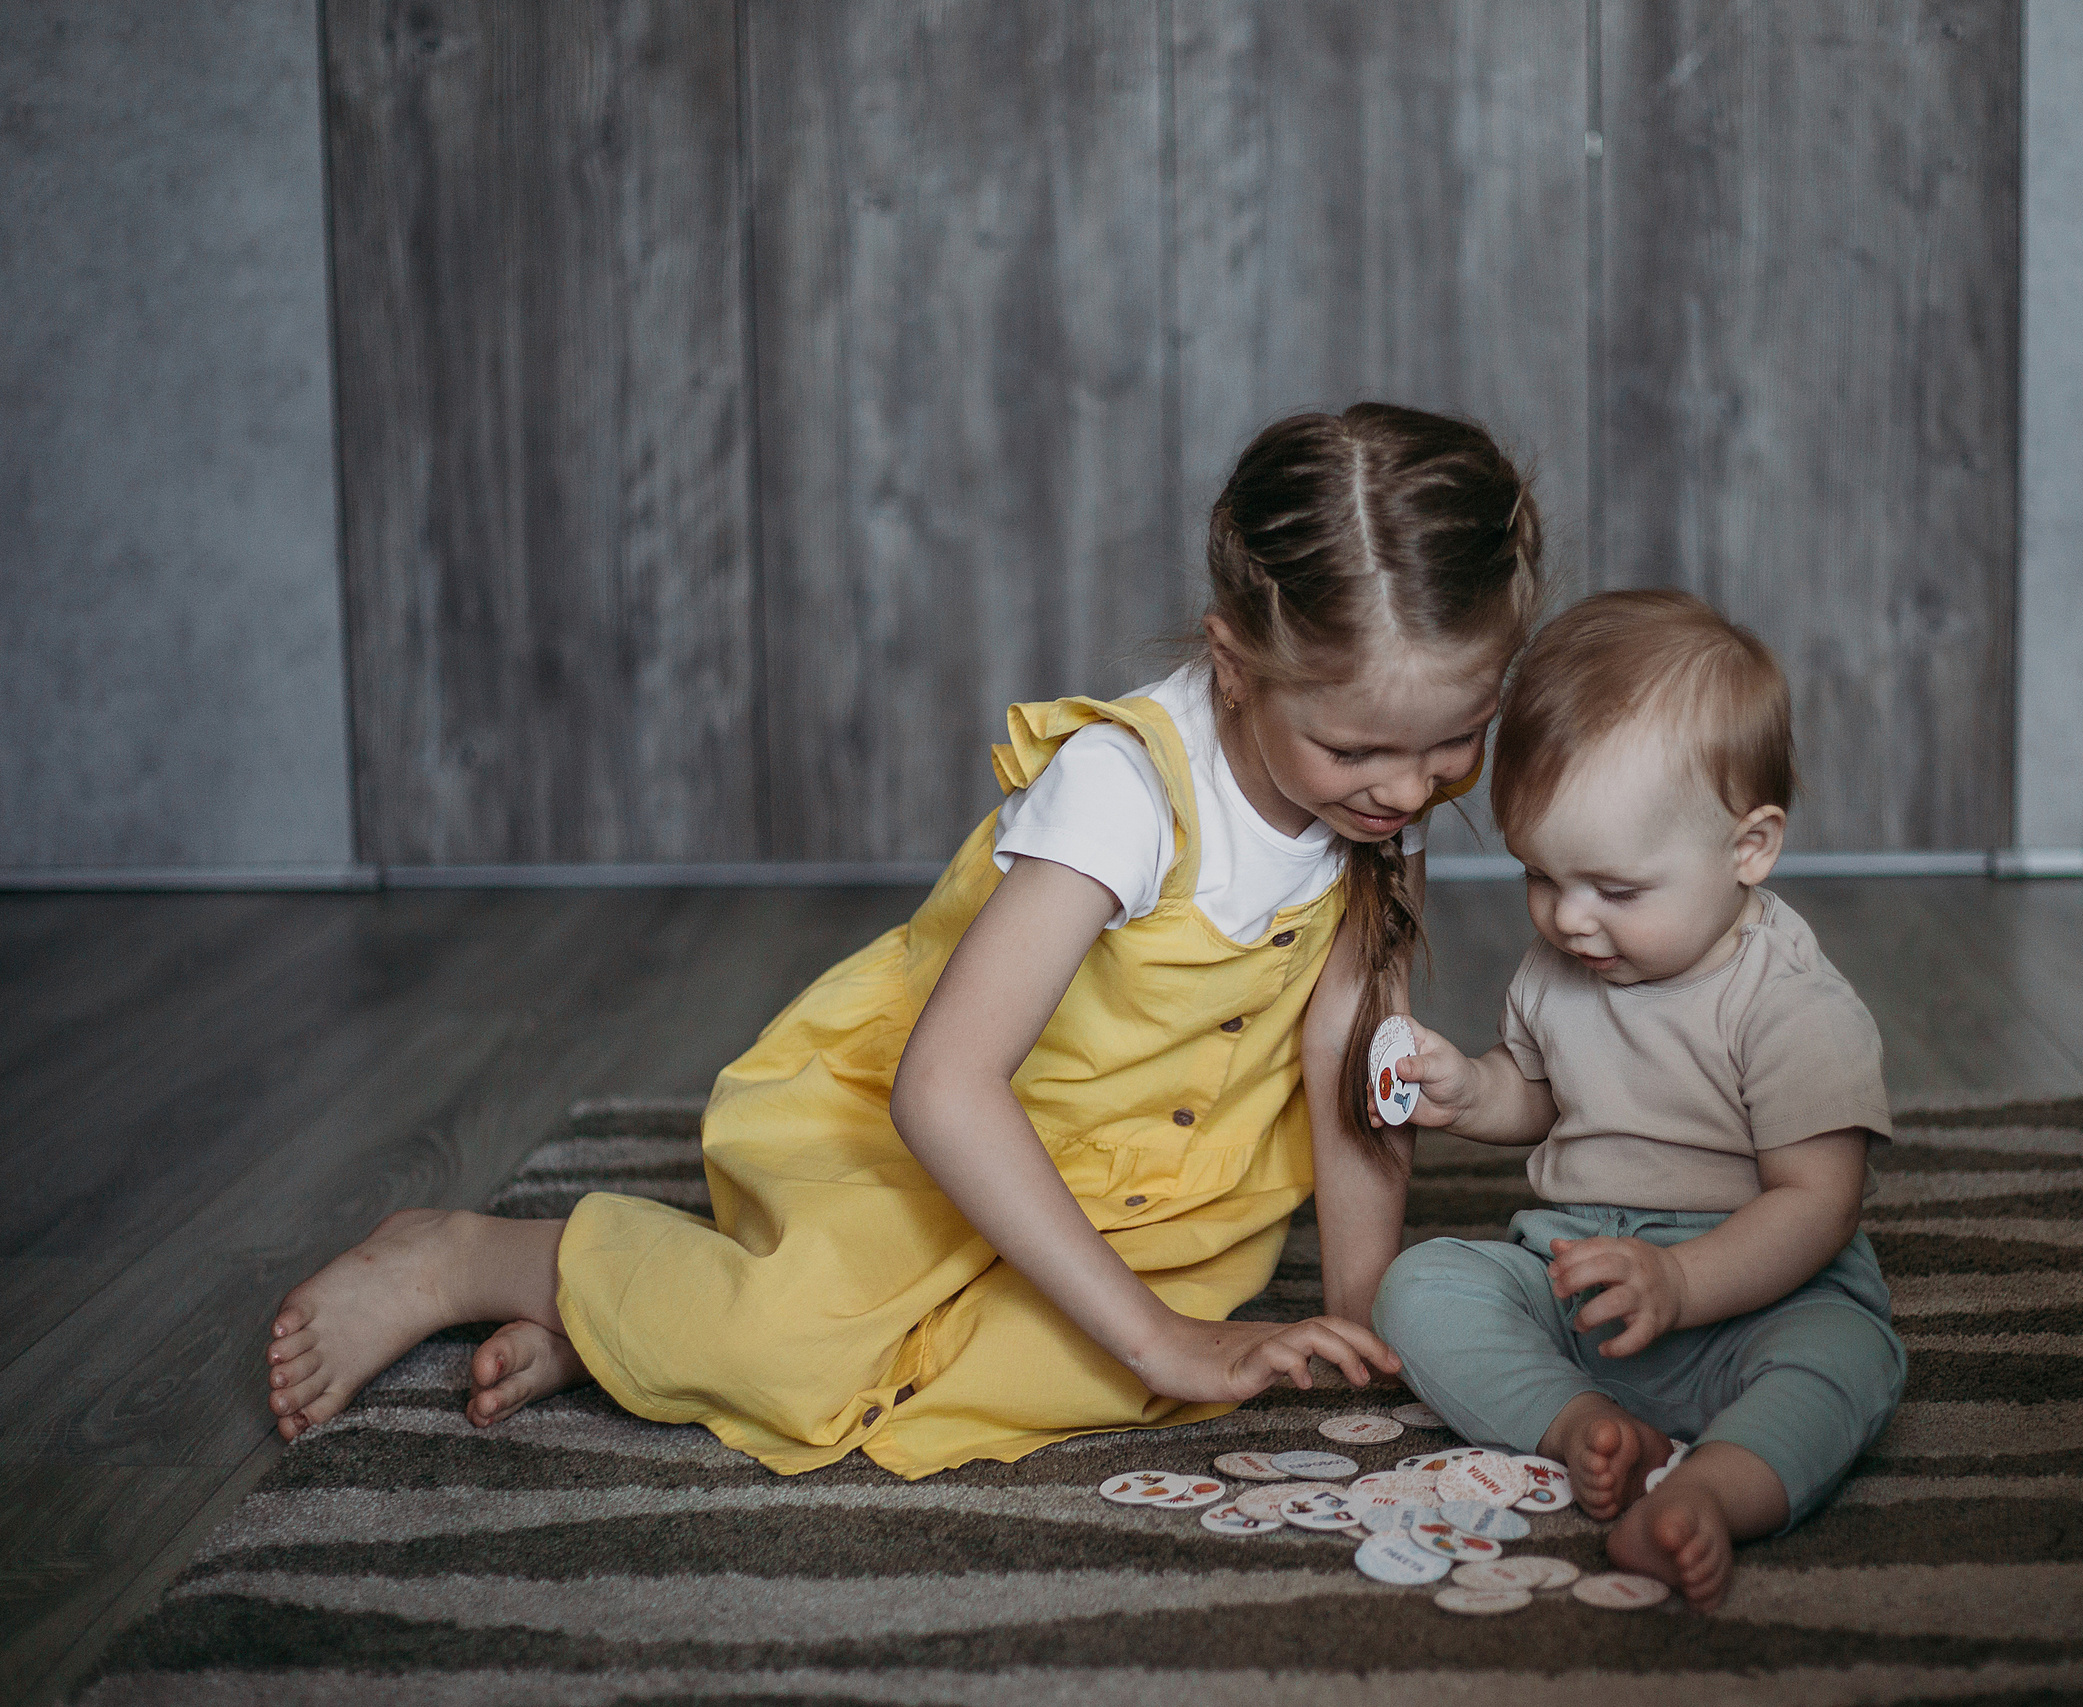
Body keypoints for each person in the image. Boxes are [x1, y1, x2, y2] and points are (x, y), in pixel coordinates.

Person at [263, 403, 1544, 1478]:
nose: (1408, 787)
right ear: (1233, 667)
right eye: (1360, 749)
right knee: (838, 1350)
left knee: (1057, 1376)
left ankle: (630, 1330)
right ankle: (486, 1259)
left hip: (1159, 1190)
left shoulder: (1380, 797)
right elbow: (946, 1088)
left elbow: (1347, 1053)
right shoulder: (1124, 791)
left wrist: (1359, 1316)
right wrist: (1157, 1339)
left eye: (1452, 743)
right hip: (931, 1141)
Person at [1370, 588, 1904, 1609]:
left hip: (1756, 1297)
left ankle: (1712, 1492)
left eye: (1614, 889)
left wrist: (1683, 1284)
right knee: (1422, 1285)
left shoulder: (1788, 1004)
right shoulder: (1565, 964)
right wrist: (1468, 1090)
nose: (1570, 920)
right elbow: (1537, 1095)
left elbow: (1816, 1201)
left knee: (1849, 1361)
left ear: (1748, 850)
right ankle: (1581, 1425)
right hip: (1574, 1277)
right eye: (1540, 875)